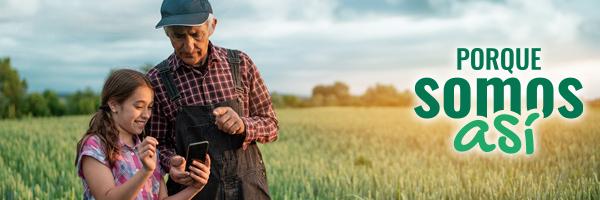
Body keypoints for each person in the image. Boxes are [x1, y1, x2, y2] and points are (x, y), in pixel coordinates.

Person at [146, 0, 279, 199]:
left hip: (248, 188)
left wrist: (243, 125)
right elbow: (156, 144)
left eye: (195, 34)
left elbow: (272, 125)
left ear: (212, 26)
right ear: (167, 33)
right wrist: (170, 163)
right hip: (194, 192)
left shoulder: (240, 64)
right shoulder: (157, 80)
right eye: (178, 36)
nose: (189, 46)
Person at [75, 69, 211, 200]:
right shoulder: (96, 145)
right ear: (114, 105)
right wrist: (145, 171)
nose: (146, 115)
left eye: (150, 107)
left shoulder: (148, 148)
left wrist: (195, 187)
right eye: (139, 106)